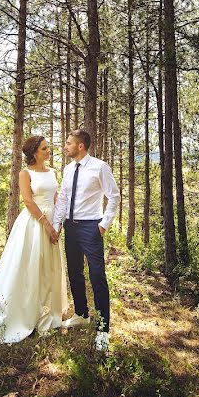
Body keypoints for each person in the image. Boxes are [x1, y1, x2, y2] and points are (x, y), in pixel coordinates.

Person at [0, 136, 69, 344]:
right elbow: (28, 201)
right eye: (44, 148)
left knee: (49, 268)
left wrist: (58, 224)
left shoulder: (53, 172)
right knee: (30, 266)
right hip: (34, 225)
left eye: (48, 148)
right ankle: (25, 312)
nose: (48, 151)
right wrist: (46, 225)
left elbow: (57, 199)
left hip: (53, 222)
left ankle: (47, 312)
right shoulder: (25, 174)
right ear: (35, 152)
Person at [52, 129, 121, 353]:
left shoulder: (100, 167)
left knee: (97, 276)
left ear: (81, 146)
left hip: (91, 227)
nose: (66, 146)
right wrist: (57, 224)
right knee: (74, 272)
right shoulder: (69, 169)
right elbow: (63, 198)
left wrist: (103, 225)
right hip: (71, 228)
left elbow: (114, 196)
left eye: (69, 143)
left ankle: (102, 329)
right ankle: (81, 314)